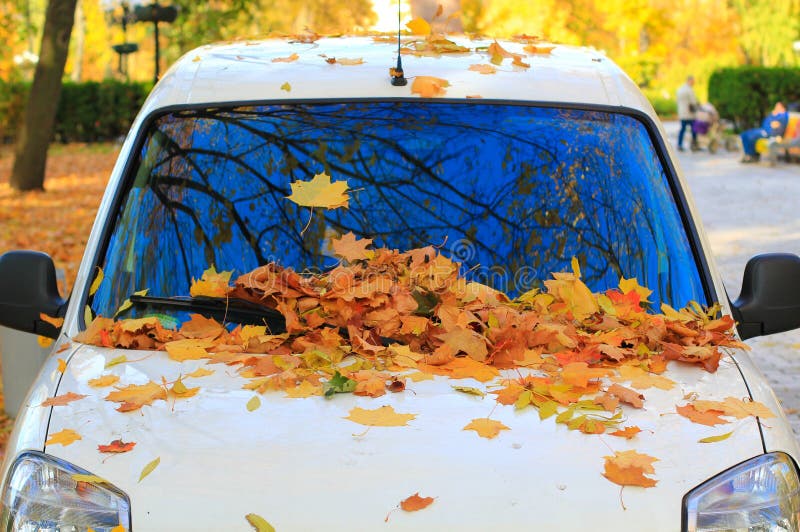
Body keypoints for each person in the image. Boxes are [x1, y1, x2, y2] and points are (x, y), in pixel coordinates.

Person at [676, 75, 699, 151]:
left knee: (682, 129)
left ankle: (679, 144)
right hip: (690, 114)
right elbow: (693, 102)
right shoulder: (689, 90)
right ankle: (694, 145)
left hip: (682, 113)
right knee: (694, 129)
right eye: (693, 81)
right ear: (690, 81)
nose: (693, 83)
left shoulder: (679, 89)